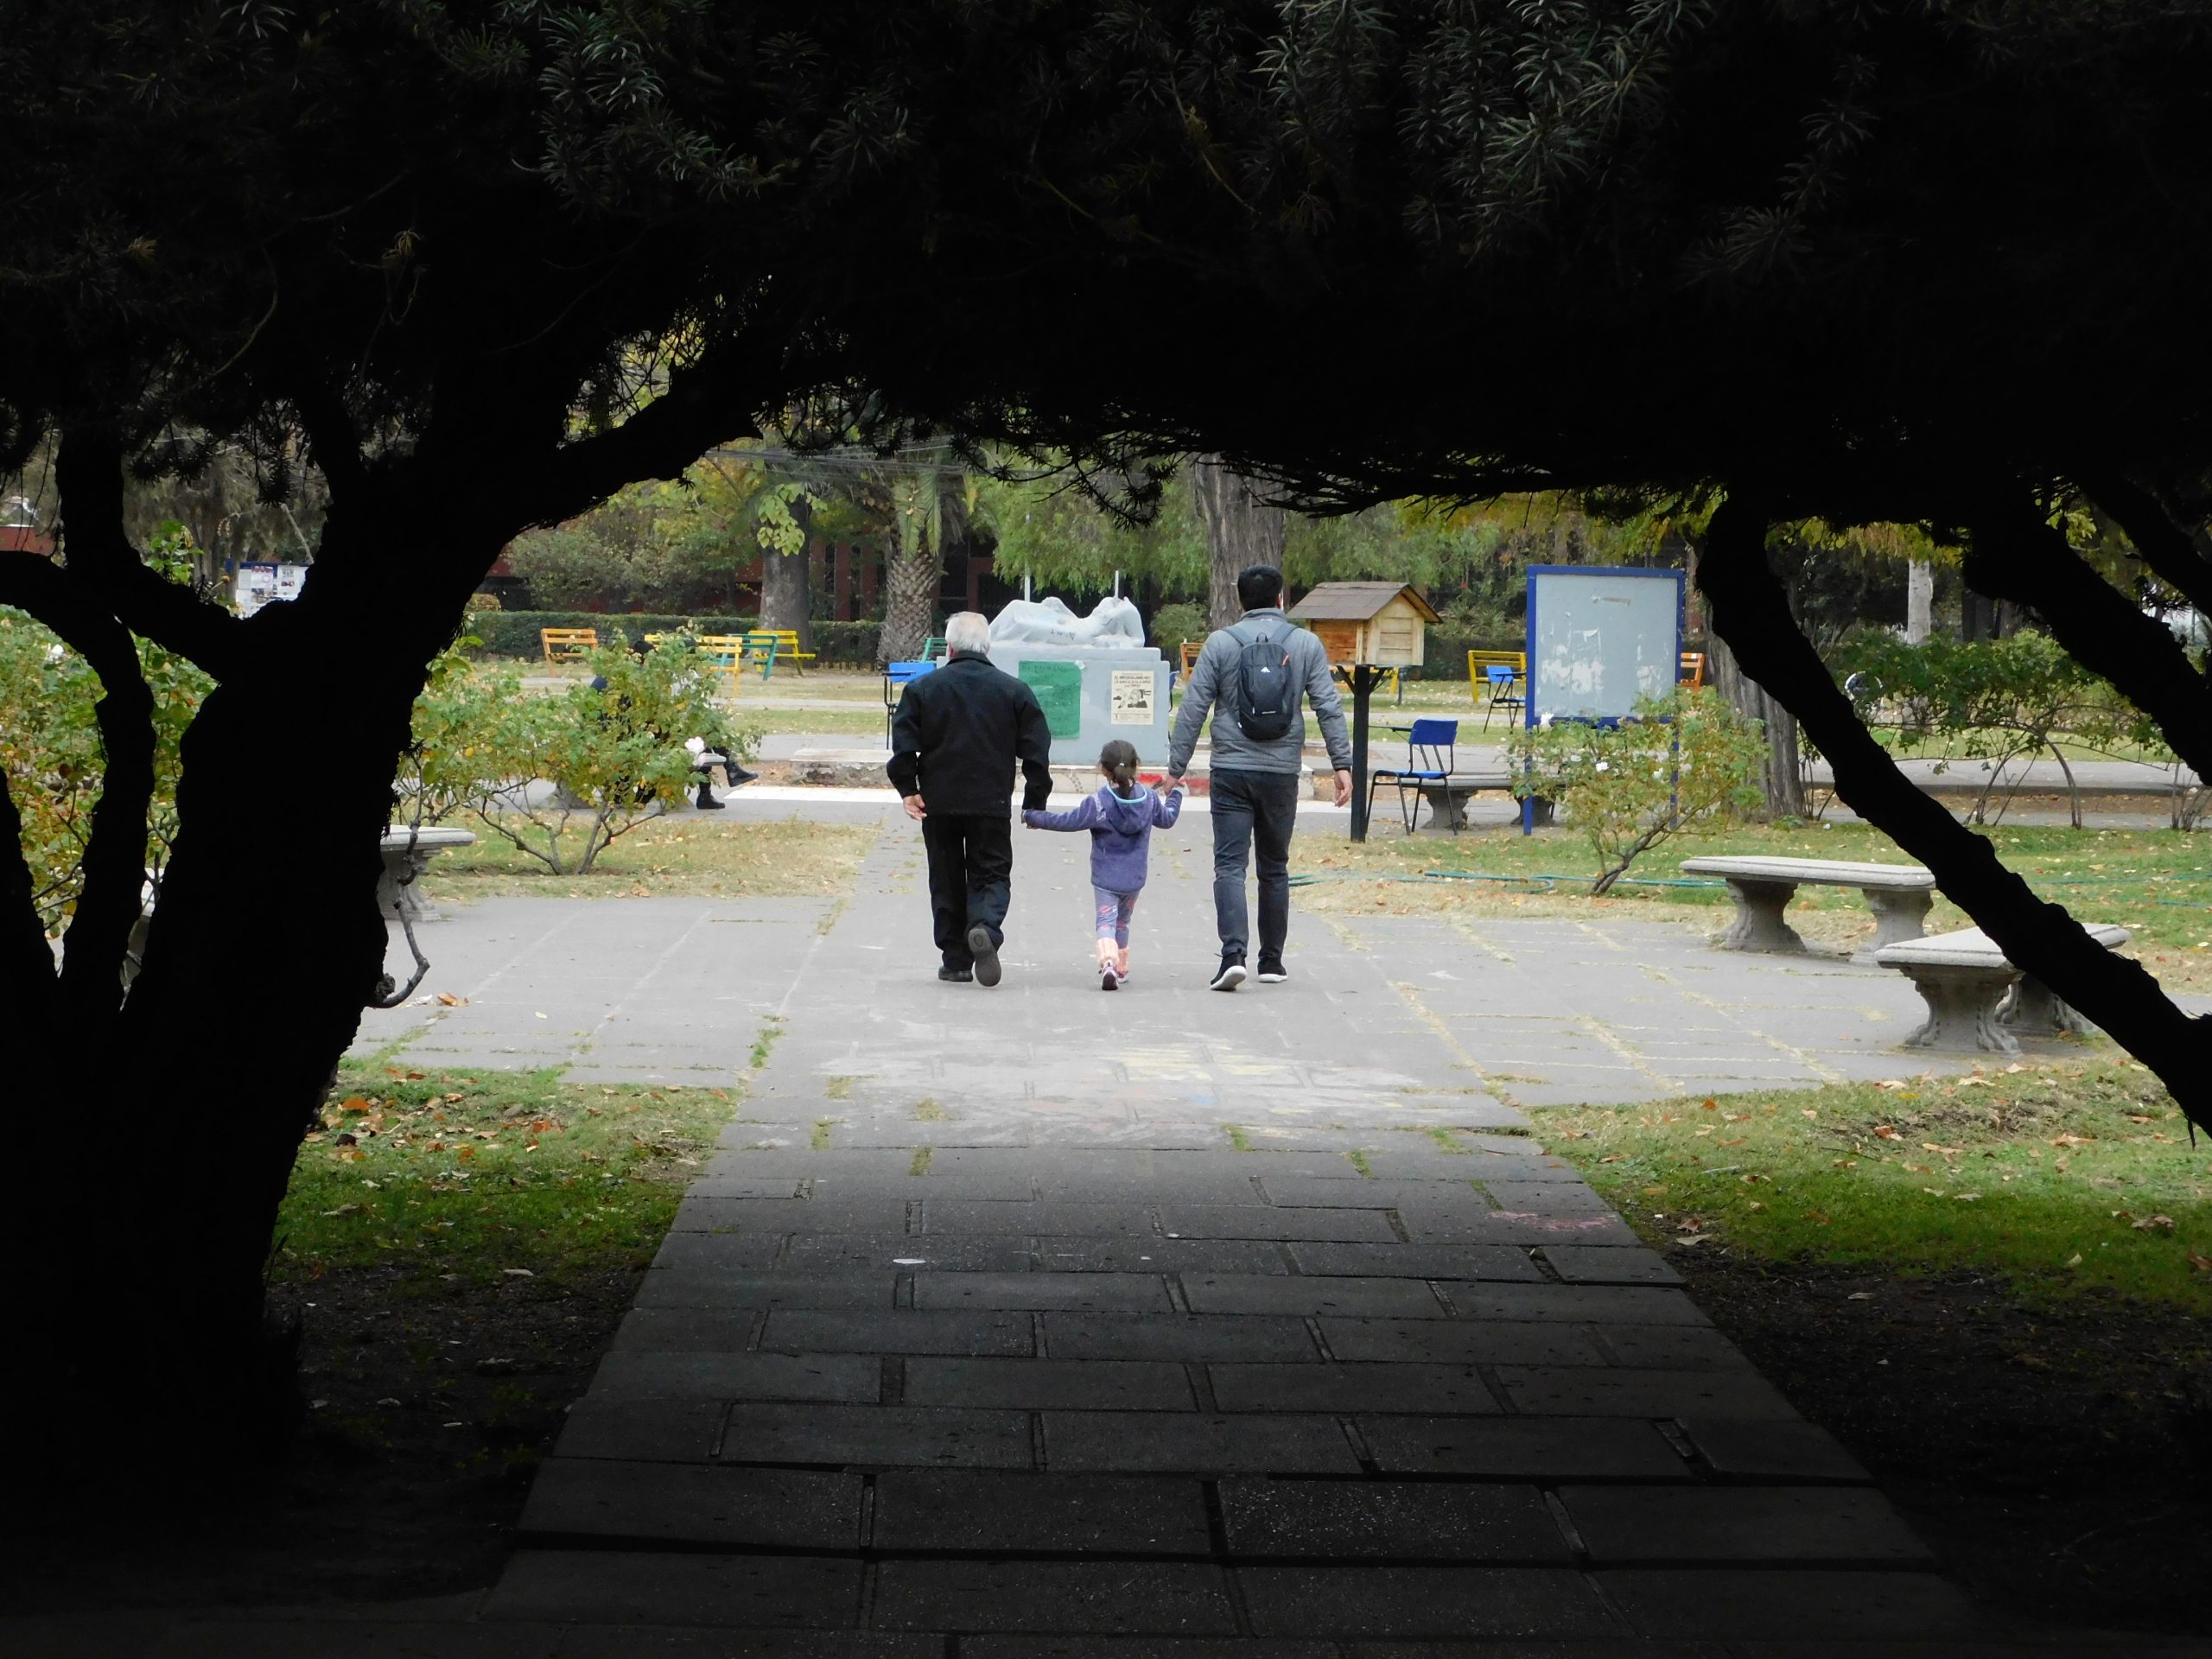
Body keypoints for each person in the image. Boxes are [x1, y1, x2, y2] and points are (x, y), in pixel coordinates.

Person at [1167, 563, 1353, 990]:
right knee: (1275, 866)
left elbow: (1194, 707)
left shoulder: (1220, 643)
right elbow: (1328, 705)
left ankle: (1233, 954)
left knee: (1229, 865)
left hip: (1231, 769)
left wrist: (1176, 769)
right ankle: (1272, 962)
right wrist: (1341, 765)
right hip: (1280, 771)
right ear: (1280, 600)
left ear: (1240, 602)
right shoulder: (1305, 644)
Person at [887, 610, 1053, 985]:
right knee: (991, 871)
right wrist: (1034, 799)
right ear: (988, 646)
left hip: (938, 802)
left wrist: (908, 789)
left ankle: (956, 959)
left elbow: (904, 748)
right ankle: (985, 928)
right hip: (990, 802)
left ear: (949, 647)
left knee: (945, 875)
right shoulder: (1013, 691)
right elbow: (1036, 750)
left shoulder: (923, 689)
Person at [1022, 739, 1186, 991]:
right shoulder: (1150, 799)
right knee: (1123, 922)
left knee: (1106, 922)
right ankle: (1121, 968)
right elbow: (1168, 819)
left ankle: (1108, 963)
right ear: (1136, 766)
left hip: (1105, 880)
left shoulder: (1098, 804)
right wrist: (1175, 793)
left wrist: (1034, 816)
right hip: (1134, 879)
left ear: (1103, 768)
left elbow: (1067, 821)